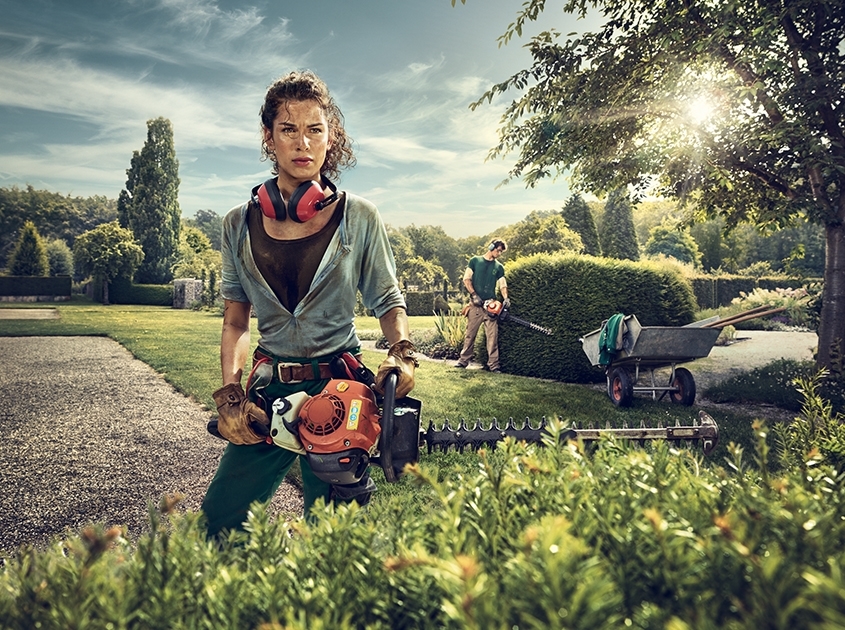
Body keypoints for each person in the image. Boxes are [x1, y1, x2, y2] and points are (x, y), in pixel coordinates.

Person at [201, 70, 418, 538]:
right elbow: (236, 320)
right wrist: (231, 393)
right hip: (268, 393)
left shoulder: (359, 216)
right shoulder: (237, 224)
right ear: (269, 137)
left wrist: (401, 353)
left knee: (335, 535)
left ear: (330, 137)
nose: (303, 142)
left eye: (315, 129)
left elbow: (387, 298)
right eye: (288, 129)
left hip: (341, 392)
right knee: (221, 521)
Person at [454, 239, 509, 372]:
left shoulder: (499, 267)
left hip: (490, 307)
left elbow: (502, 285)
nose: (500, 253)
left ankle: (494, 365)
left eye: (502, 251)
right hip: (475, 306)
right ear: (491, 247)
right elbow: (466, 279)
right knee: (470, 335)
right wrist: (474, 295)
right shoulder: (475, 261)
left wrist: (506, 298)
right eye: (498, 250)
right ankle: (463, 361)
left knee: (492, 337)